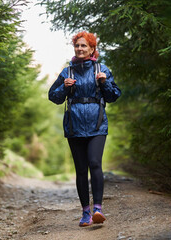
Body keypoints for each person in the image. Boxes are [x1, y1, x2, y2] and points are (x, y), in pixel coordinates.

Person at [48, 31, 121, 227]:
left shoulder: (101, 69)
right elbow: (53, 97)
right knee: (81, 169)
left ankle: (98, 209)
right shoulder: (67, 72)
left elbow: (114, 96)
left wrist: (105, 83)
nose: (80, 49)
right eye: (77, 46)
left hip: (97, 124)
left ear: (92, 49)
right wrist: (63, 87)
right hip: (74, 125)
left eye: (84, 46)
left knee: (95, 163)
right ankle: (85, 213)